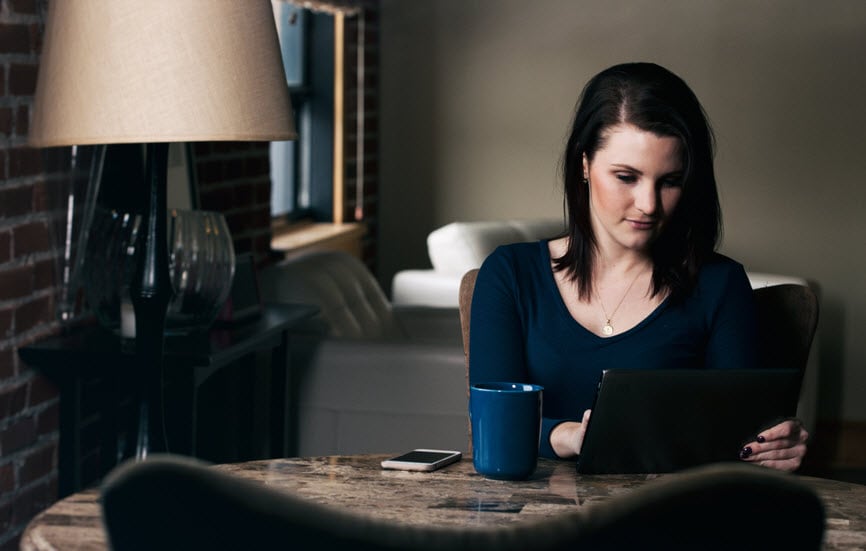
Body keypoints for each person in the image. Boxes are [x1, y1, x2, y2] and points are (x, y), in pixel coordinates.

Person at [468, 62, 808, 472]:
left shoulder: (720, 286)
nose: (649, 204)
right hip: (533, 523)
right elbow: (492, 422)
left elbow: (736, 440)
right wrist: (569, 435)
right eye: (627, 177)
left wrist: (772, 446)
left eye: (670, 181)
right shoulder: (510, 275)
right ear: (584, 164)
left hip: (669, 519)